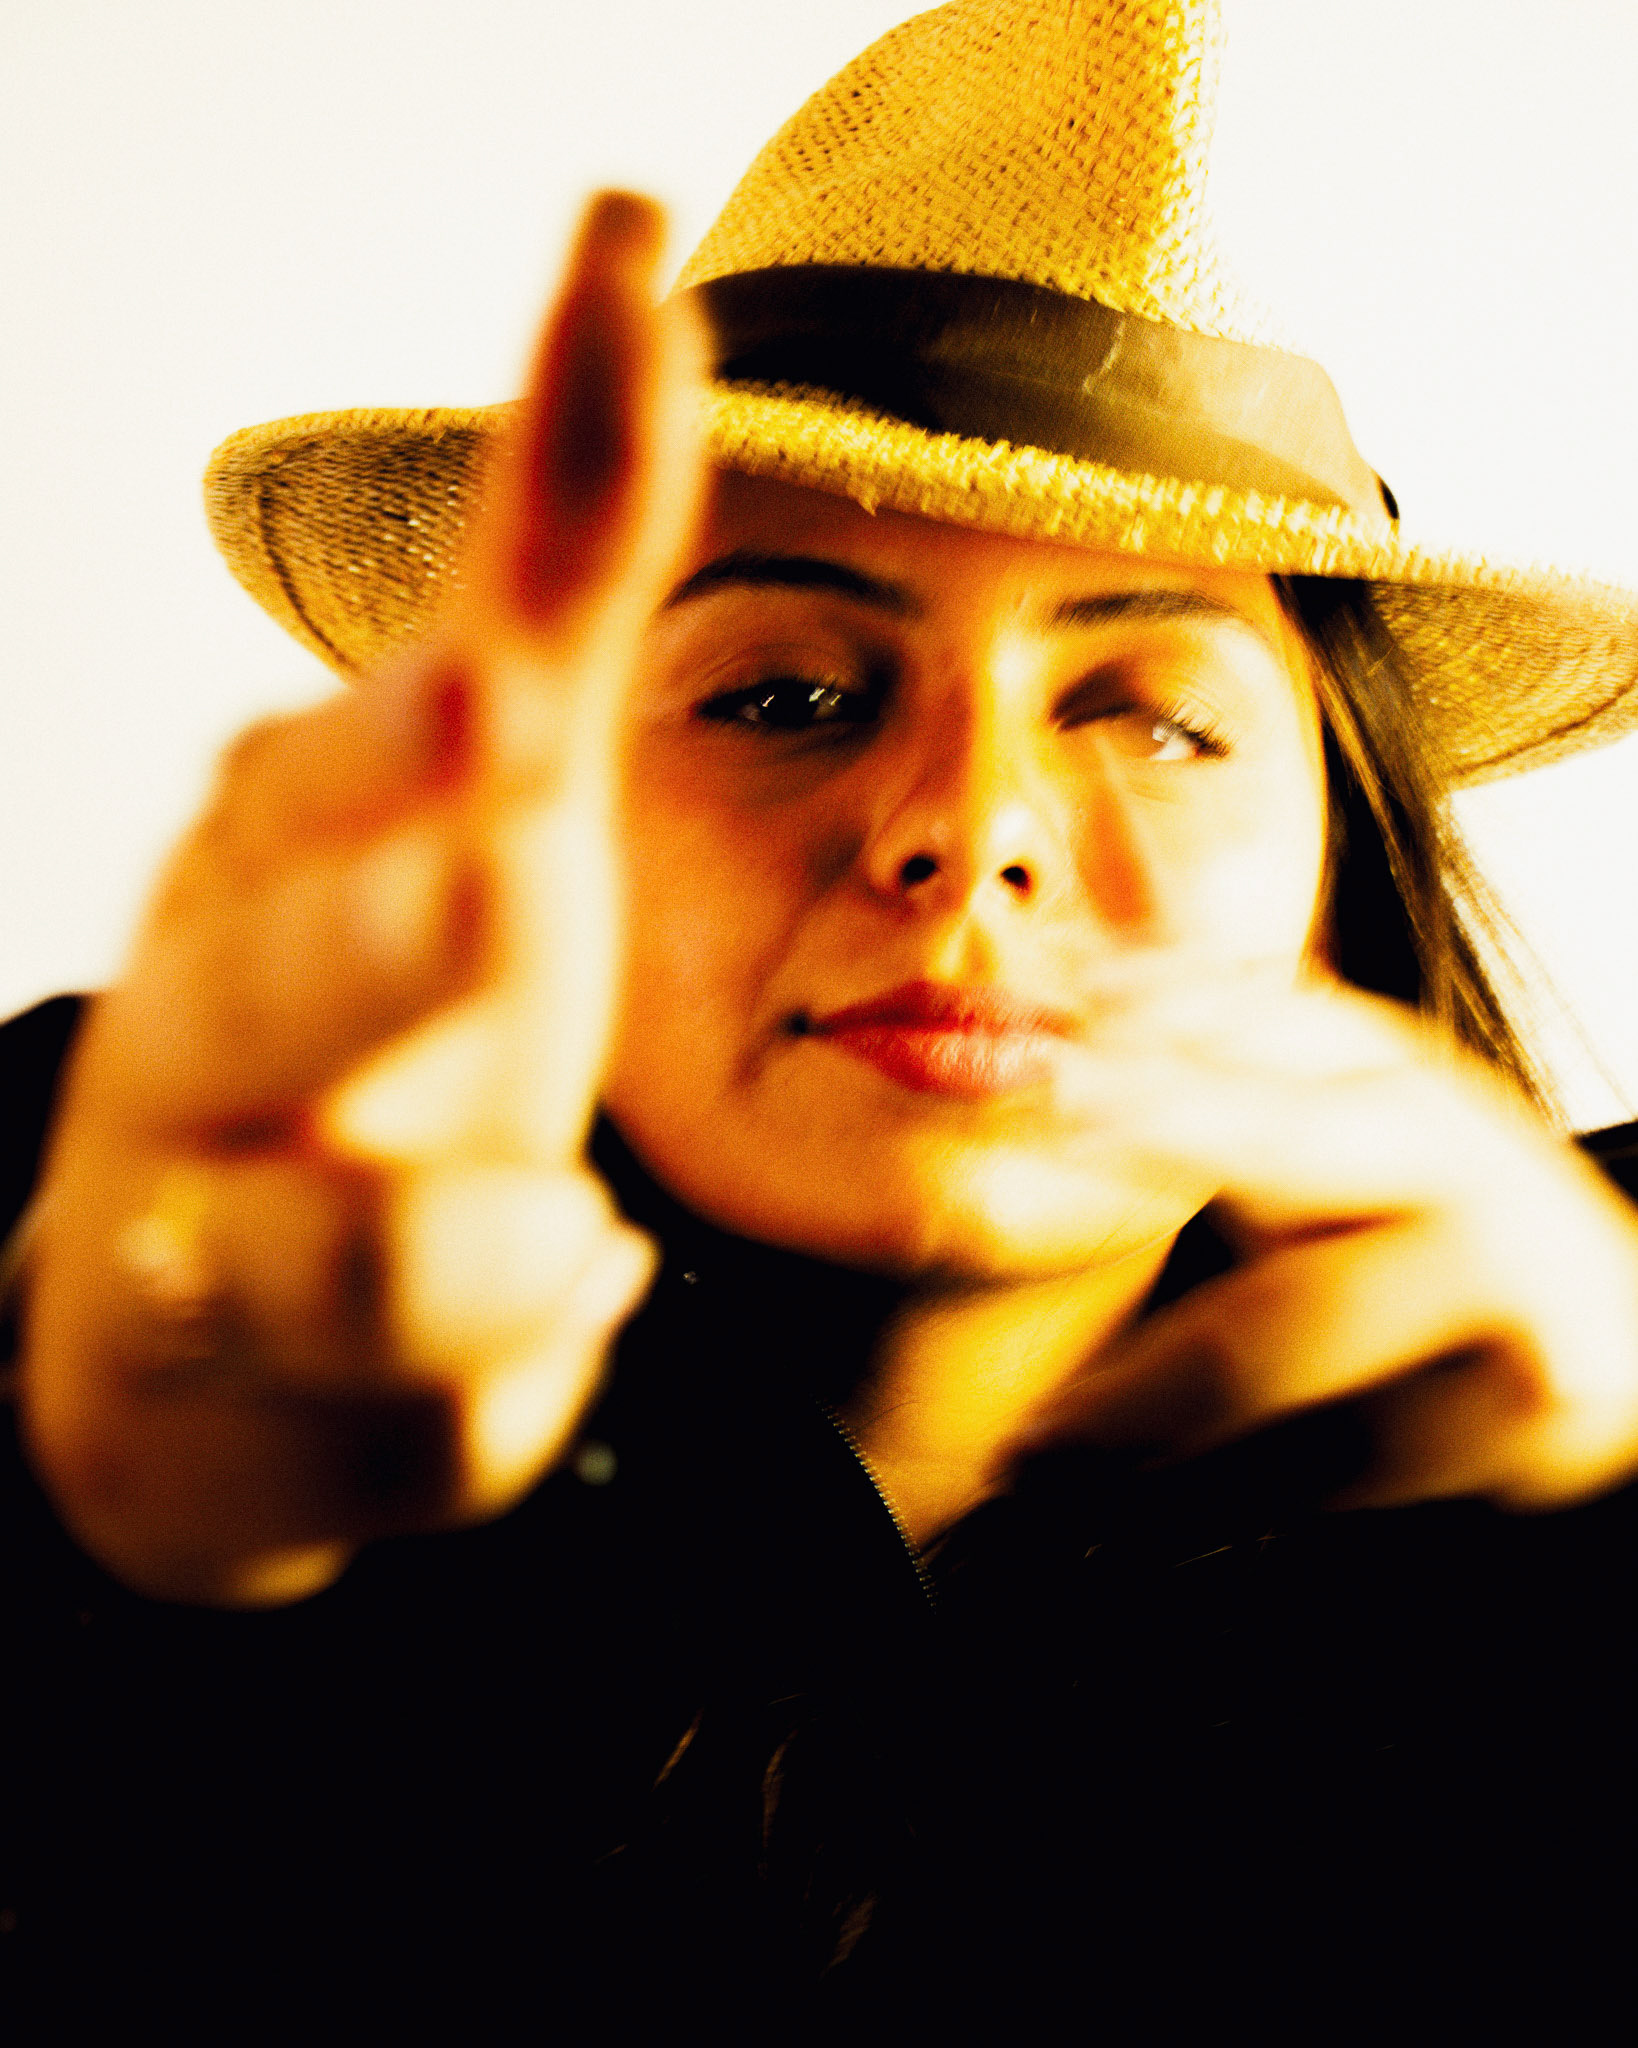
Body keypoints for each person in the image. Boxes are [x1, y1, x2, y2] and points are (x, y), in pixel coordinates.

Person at [3, 0, 1635, 2038]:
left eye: (1146, 714)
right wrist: (123, 1586)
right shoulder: (99, 1235)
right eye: (784, 693)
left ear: (1339, 863)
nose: (969, 829)